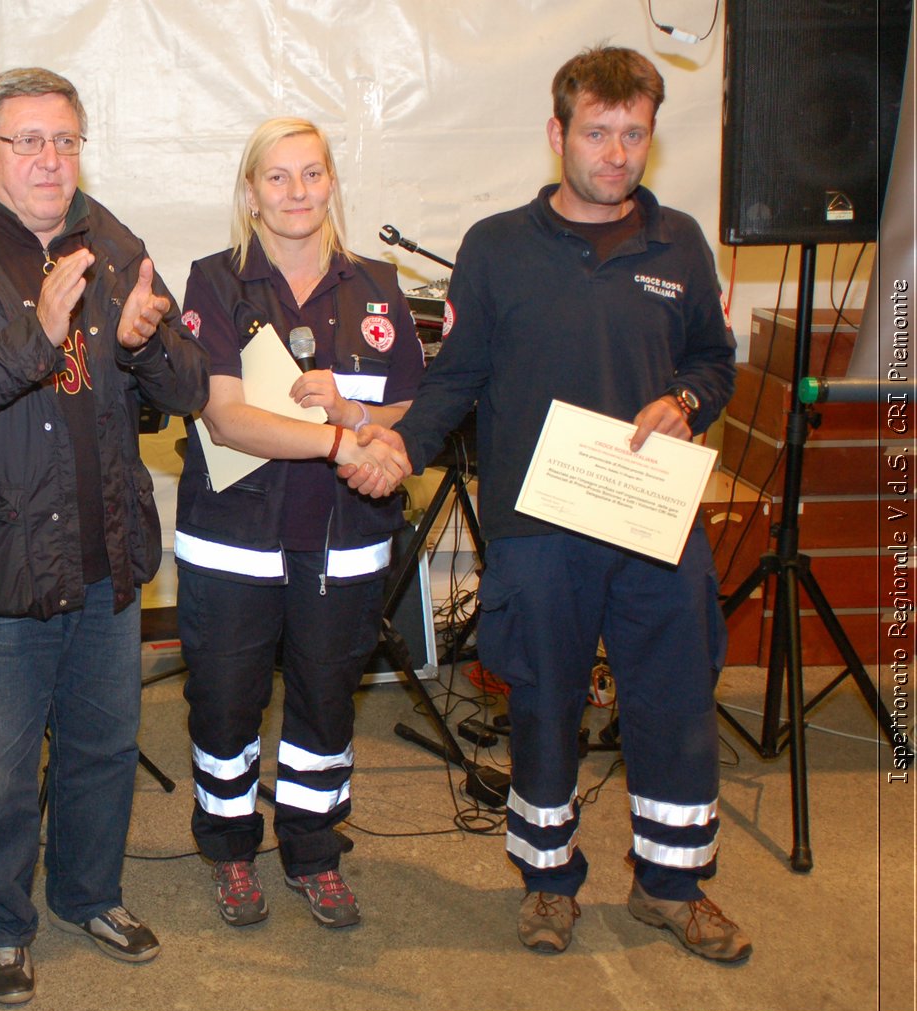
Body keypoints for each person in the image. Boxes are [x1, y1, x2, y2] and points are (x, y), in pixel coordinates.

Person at [376, 46, 748, 962]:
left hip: (656, 524)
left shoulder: (683, 244)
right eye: (597, 132)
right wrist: (399, 448)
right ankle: (548, 883)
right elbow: (454, 379)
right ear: (558, 133)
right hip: (539, 531)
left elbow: (714, 360)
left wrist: (690, 401)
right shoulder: (496, 248)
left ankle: (670, 886)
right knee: (542, 702)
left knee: (673, 702)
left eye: (634, 134)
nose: (616, 153)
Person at [0, 68, 209, 1005]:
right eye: (29, 141)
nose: (51, 160)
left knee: (105, 750)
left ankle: (88, 895)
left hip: (104, 557)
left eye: (66, 140)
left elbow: (187, 391)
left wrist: (147, 342)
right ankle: (3, 926)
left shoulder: (115, 242)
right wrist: (37, 334)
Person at [175, 117, 421, 930]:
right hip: (233, 542)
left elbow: (412, 405)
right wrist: (346, 439)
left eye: (311, 174)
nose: (296, 193)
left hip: (345, 542)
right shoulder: (214, 281)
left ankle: (314, 852)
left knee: (325, 705)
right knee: (224, 705)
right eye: (276, 178)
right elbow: (227, 420)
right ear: (250, 192)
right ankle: (232, 850)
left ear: (332, 182)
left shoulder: (378, 286)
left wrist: (359, 415)